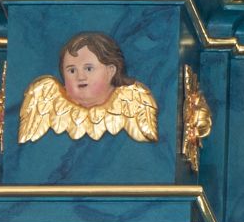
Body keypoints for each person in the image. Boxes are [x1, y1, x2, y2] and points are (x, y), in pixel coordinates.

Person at [16, 29, 158, 141]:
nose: (80, 76)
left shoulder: (132, 96)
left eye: (89, 68)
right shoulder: (47, 92)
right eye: (72, 70)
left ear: (111, 71)